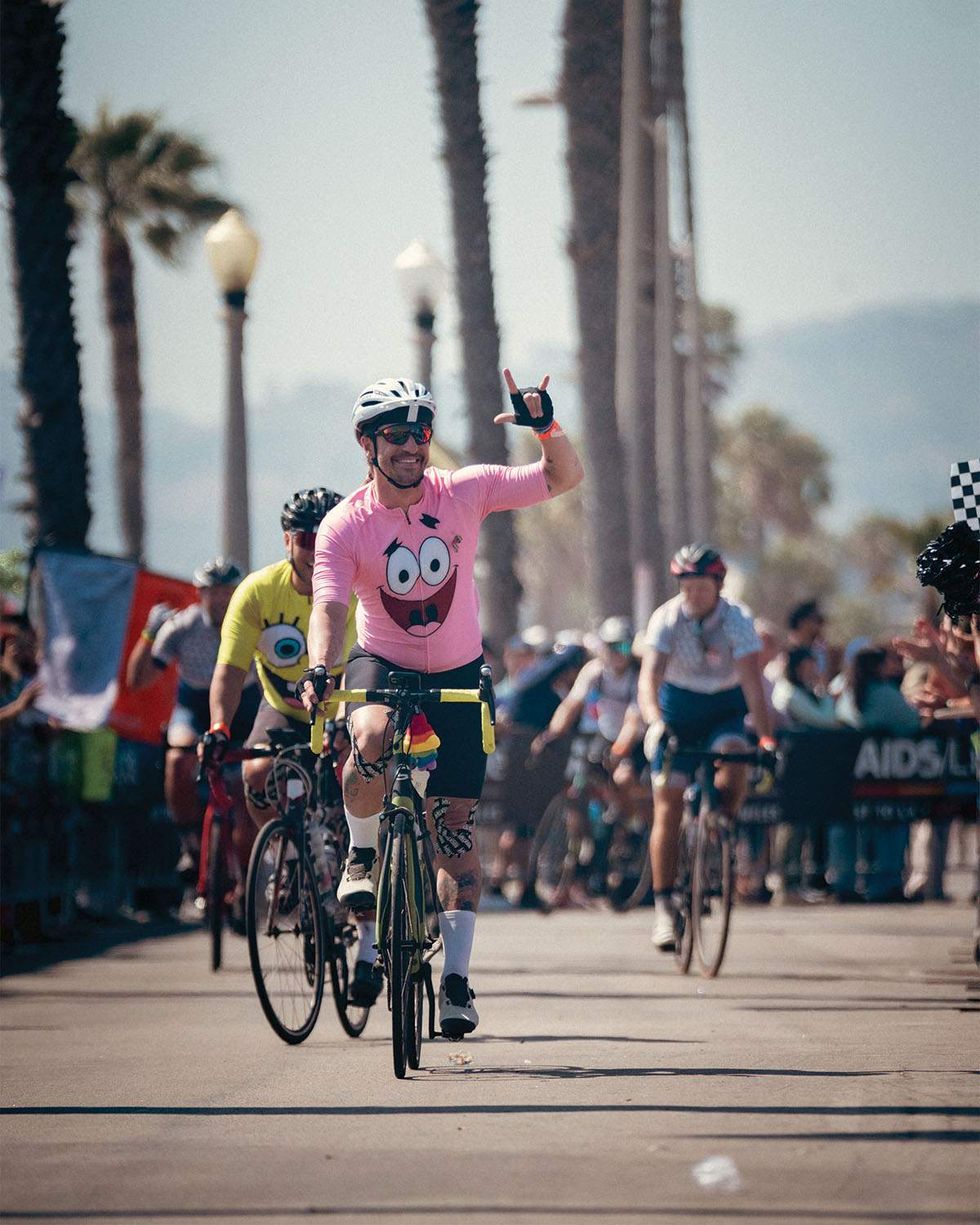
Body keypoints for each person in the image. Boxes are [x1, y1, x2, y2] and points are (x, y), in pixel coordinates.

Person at [300, 371, 584, 1037]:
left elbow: (561, 477)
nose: (412, 445)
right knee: (367, 735)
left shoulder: (463, 491)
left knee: (455, 836)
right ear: (366, 443)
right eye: (395, 433)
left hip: (459, 674)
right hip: (383, 663)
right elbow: (330, 604)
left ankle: (455, 980)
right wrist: (319, 665)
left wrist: (545, 425)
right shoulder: (345, 525)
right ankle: (364, 855)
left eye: (420, 431)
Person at [638, 544, 776, 952]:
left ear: (718, 585)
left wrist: (766, 737)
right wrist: (655, 723)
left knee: (735, 759)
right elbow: (649, 679)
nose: (694, 595)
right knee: (667, 804)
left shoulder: (736, 620)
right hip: (678, 711)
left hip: (723, 709)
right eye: (687, 586)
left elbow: (752, 685)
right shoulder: (666, 617)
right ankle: (664, 908)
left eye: (701, 587)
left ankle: (723, 824)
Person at [125, 558, 257, 907]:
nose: (220, 601)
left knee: (246, 791)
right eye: (212, 593)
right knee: (177, 760)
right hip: (195, 708)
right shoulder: (183, 626)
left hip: (243, 708)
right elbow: (137, 680)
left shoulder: (253, 622)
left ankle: (245, 878)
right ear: (200, 595)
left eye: (227, 593)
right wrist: (150, 632)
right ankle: (189, 844)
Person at [531, 616, 645, 901]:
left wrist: (620, 751)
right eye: (611, 646)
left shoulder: (636, 676)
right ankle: (579, 849)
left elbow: (633, 720)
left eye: (623, 646)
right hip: (604, 735)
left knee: (623, 779)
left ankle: (631, 826)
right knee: (577, 785)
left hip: (632, 739)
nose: (617, 653)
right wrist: (551, 734)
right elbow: (572, 703)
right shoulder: (595, 670)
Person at [833, 646, 920, 903]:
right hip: (883, 774)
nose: (893, 667)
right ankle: (886, 883)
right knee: (889, 824)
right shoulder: (884, 694)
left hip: (848, 776)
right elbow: (912, 723)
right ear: (876, 667)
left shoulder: (847, 693)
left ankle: (844, 880)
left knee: (845, 826)